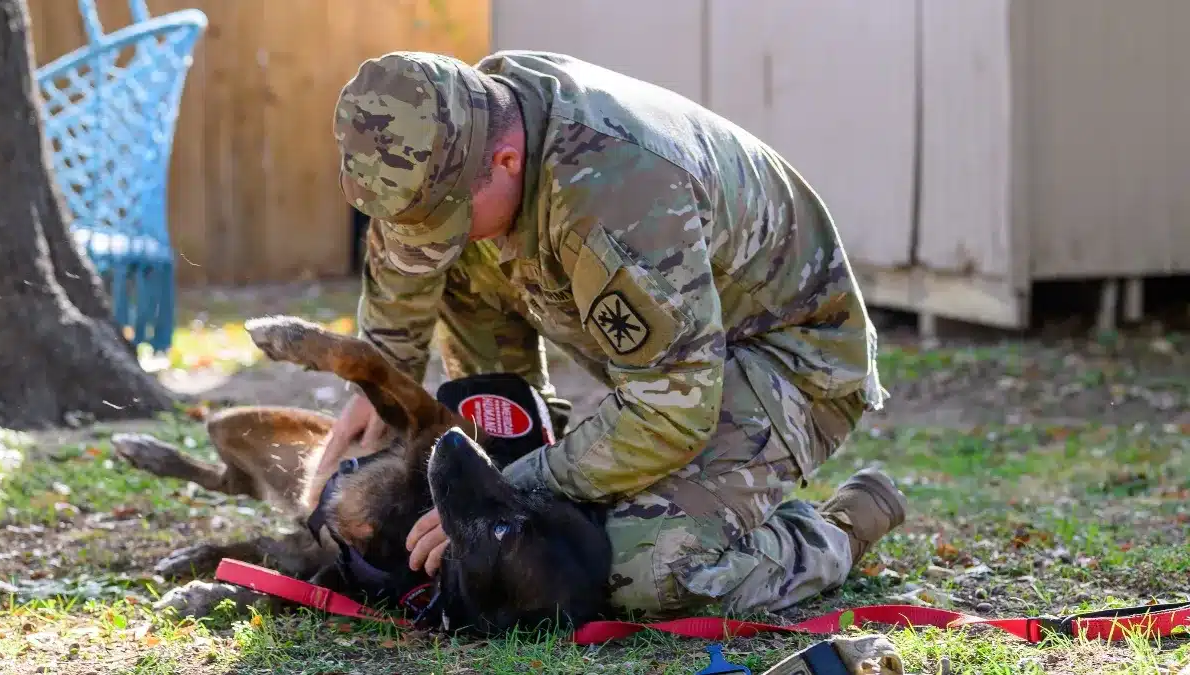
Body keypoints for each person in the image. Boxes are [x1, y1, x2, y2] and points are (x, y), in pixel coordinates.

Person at [322, 49, 908, 617]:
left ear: (506, 161)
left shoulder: (617, 197)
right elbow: (405, 245)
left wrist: (511, 490)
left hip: (789, 361)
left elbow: (673, 410)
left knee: (645, 568)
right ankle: (518, 441)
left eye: (446, 221)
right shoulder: (463, 123)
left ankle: (837, 529)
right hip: (678, 359)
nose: (428, 239)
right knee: (510, 526)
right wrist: (379, 383)